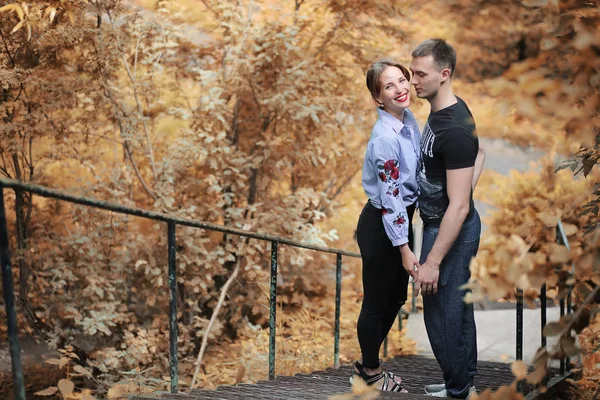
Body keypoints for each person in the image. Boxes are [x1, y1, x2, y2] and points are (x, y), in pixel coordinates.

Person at [410, 39, 486, 399]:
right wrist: (460, 193)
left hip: (449, 229)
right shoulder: (444, 113)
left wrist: (433, 261)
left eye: (420, 74)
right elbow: (481, 154)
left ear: (444, 74)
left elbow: (459, 207)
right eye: (412, 73)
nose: (413, 81)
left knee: (445, 315)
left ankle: (460, 392)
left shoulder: (453, 127)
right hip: (443, 223)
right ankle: (461, 382)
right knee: (450, 310)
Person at [351, 59, 421, 392]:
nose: (400, 89)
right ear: (378, 97)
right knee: (377, 301)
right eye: (389, 86)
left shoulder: (408, 120)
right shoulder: (385, 138)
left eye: (402, 81)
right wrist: (404, 248)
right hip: (382, 226)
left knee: (396, 298)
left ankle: (367, 366)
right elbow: (392, 198)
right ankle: (371, 372)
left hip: (400, 221)